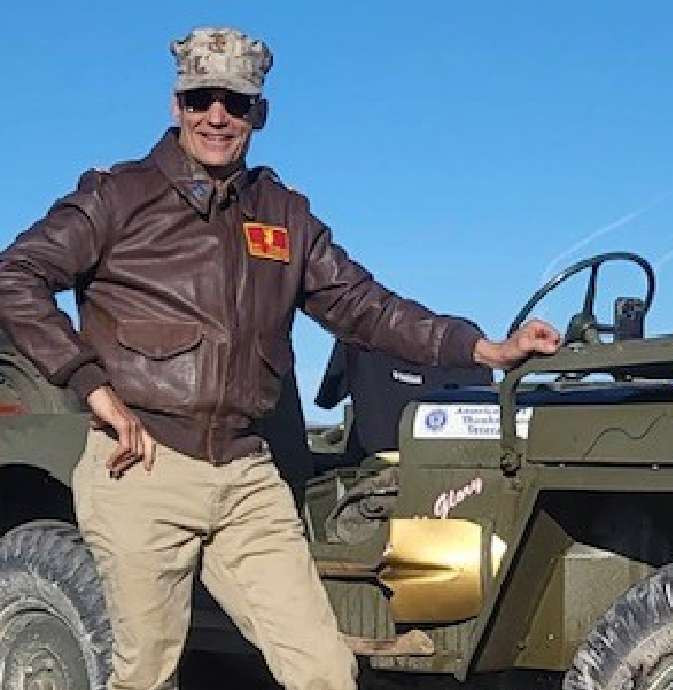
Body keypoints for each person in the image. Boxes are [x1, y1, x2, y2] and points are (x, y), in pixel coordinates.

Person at [0, 26, 559, 690]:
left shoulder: (283, 214)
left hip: (246, 478)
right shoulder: (118, 196)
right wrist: (90, 386)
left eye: (235, 102)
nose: (217, 116)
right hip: (143, 467)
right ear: (177, 105)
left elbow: (365, 306)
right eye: (202, 97)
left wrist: (482, 347)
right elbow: (17, 275)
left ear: (257, 114)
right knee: (146, 674)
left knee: (324, 670)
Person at [314, 332, 493, 465]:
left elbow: (328, 399)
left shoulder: (358, 334)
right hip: (461, 462)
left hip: (377, 461)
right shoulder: (470, 342)